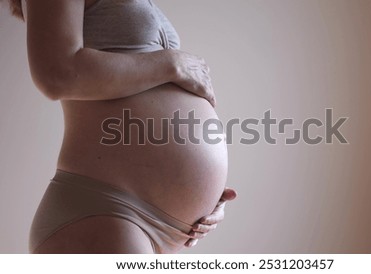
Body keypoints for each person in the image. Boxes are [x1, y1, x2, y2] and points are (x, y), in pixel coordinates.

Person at [8, 0, 237, 254]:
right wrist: (173, 63)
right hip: (106, 210)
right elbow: (57, 73)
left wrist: (202, 199)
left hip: (146, 225)